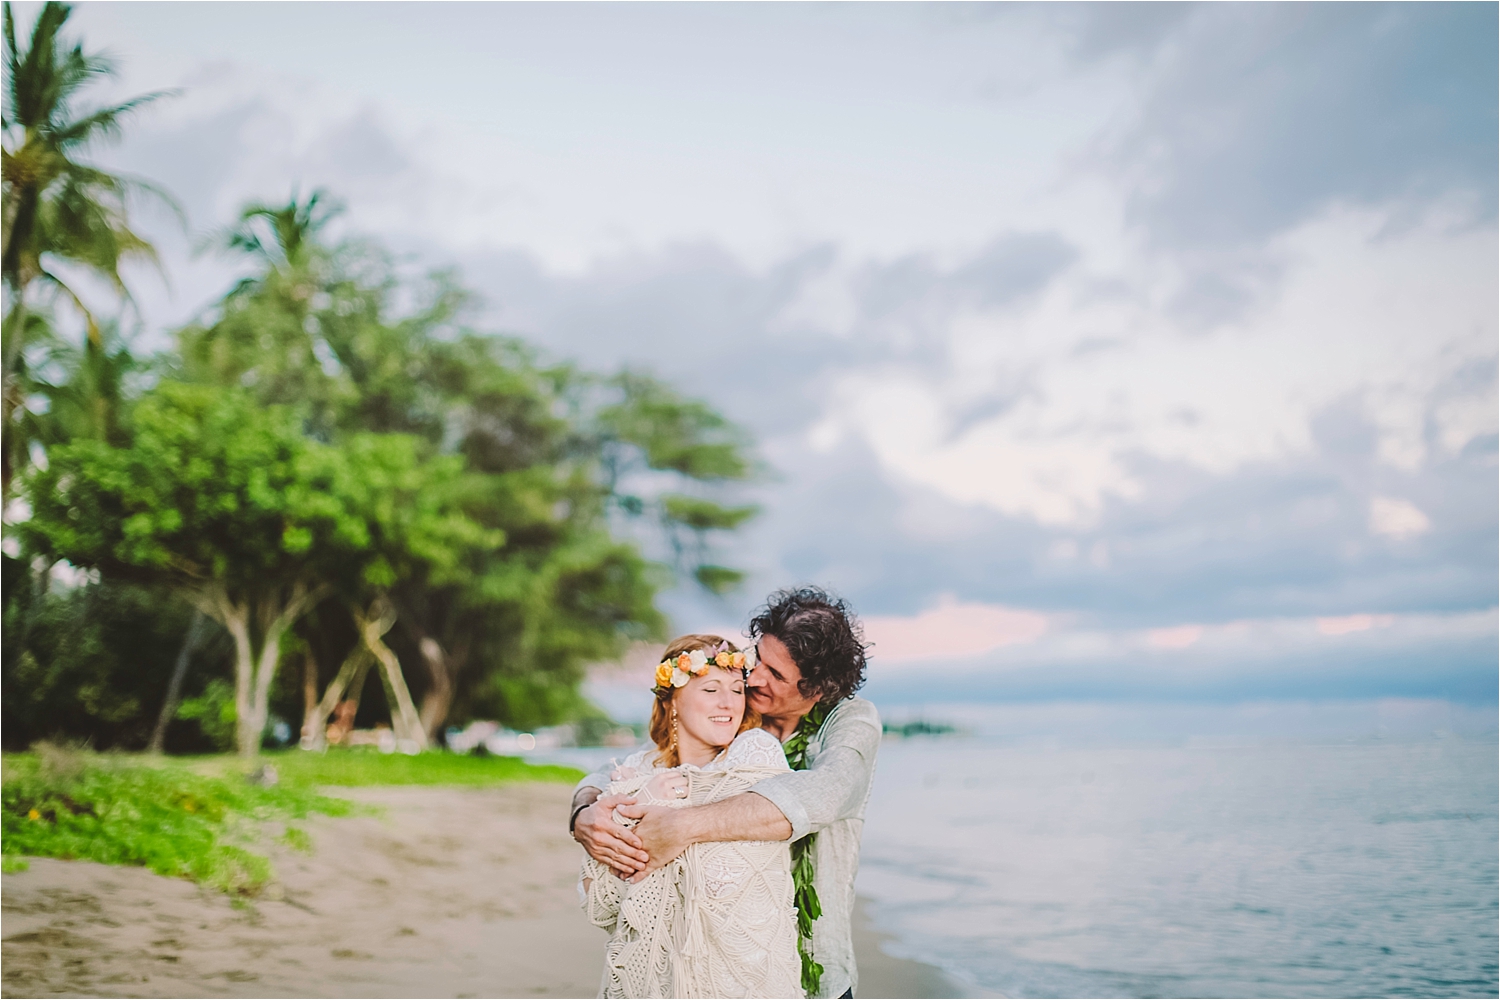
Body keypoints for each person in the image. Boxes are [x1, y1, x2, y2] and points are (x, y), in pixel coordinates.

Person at [573, 587, 880, 1000]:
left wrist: (681, 826)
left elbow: (825, 793)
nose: (753, 679)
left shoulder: (848, 721)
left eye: (776, 675)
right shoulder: (733, 721)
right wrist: (583, 813)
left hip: (809, 962)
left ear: (817, 690)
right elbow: (641, 766)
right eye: (758, 661)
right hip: (704, 959)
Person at [579, 633, 802, 998]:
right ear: (673, 701)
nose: (729, 703)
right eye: (711, 690)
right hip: (653, 983)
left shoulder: (754, 753)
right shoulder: (637, 769)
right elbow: (600, 905)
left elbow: (720, 828)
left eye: (736, 689)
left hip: (742, 981)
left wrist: (633, 806)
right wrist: (638, 797)